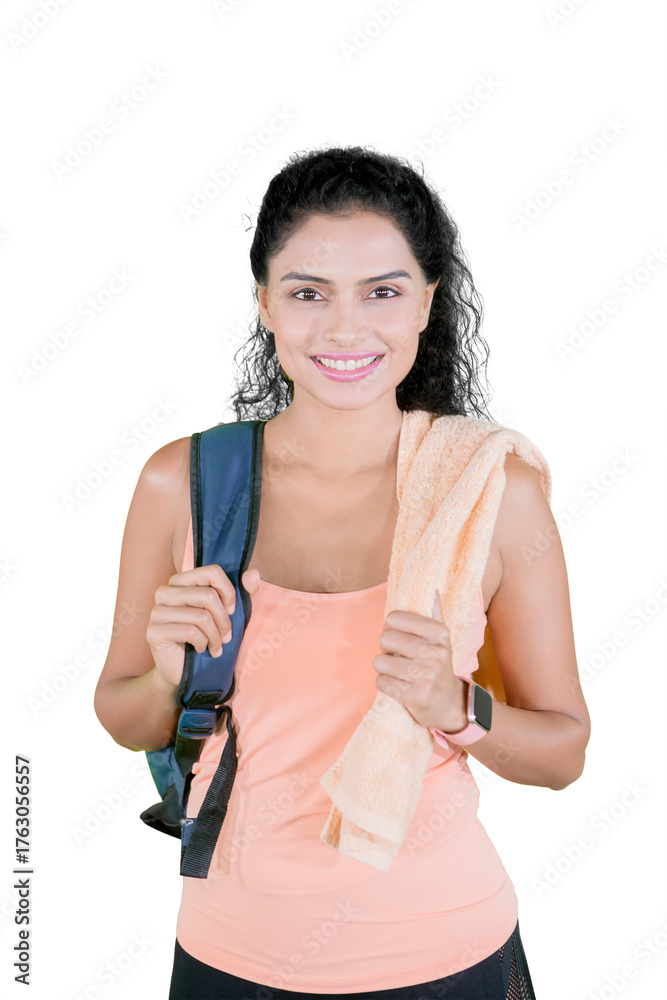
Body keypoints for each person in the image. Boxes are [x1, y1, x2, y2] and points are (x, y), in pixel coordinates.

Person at [94, 145, 591, 999]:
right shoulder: (182, 483)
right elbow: (123, 713)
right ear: (264, 302)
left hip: (446, 955)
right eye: (308, 293)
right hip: (227, 955)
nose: (345, 328)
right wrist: (170, 672)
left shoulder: (487, 492)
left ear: (427, 301)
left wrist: (456, 708)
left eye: (382, 292)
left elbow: (562, 752)